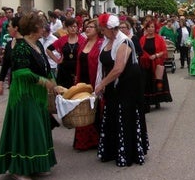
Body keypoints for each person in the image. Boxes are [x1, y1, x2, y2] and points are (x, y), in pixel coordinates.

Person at [0, 12, 57, 180]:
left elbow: (44, 65)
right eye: (42, 26)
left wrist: (53, 82)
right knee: (27, 129)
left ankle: (36, 164)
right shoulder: (20, 46)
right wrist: (43, 82)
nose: (44, 29)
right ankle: (19, 169)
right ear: (34, 28)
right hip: (24, 93)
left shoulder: (38, 45)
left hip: (37, 94)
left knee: (39, 129)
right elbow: (20, 72)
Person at [94, 14, 148, 166]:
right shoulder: (107, 40)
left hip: (126, 84)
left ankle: (127, 151)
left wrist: (101, 84)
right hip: (113, 85)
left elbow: (118, 68)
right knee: (112, 113)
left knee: (124, 114)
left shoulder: (124, 42)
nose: (102, 32)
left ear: (111, 29)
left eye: (103, 29)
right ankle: (112, 149)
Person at [73, 19, 104, 150]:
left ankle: (96, 141)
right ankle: (83, 141)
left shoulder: (100, 44)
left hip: (94, 81)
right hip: (82, 81)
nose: (88, 29)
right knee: (83, 111)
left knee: (96, 110)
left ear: (97, 30)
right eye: (87, 27)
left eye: (91, 27)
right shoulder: (84, 43)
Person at [139, 20, 173, 108]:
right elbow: (141, 50)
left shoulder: (159, 38)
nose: (151, 29)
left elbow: (164, 51)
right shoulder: (143, 39)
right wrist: (146, 56)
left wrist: (156, 55)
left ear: (155, 28)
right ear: (146, 28)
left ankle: (157, 100)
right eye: (149, 27)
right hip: (146, 64)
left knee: (157, 82)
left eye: (152, 27)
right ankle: (148, 101)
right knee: (147, 83)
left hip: (156, 64)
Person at [46, 17, 86, 89]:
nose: (73, 28)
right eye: (70, 26)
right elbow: (48, 50)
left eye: (75, 26)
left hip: (77, 69)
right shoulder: (62, 39)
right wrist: (57, 61)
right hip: (64, 70)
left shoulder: (82, 40)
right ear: (67, 27)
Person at [0, 17, 22, 95]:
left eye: (9, 26)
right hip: (13, 82)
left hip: (27, 84)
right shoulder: (9, 44)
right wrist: (1, 82)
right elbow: (6, 64)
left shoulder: (28, 44)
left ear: (16, 28)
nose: (7, 28)